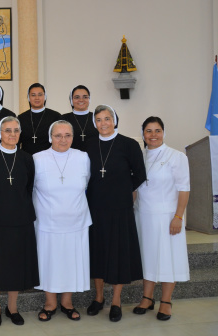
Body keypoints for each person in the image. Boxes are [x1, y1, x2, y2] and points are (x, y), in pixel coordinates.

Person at [85, 105, 146, 322]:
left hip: (120, 209)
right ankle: (99, 297)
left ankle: (116, 301)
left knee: (117, 254)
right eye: (99, 119)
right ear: (95, 123)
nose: (103, 123)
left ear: (115, 120)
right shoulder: (88, 144)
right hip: (95, 208)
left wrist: (123, 191)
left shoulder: (129, 144)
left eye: (107, 119)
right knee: (98, 253)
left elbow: (140, 174)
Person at [32, 120, 92, 322]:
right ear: (50, 137)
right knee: (50, 263)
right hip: (47, 222)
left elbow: (87, 183)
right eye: (58, 135)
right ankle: (50, 303)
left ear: (73, 138)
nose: (63, 139)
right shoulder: (38, 159)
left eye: (67, 135)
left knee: (71, 262)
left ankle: (67, 302)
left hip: (76, 221)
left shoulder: (82, 157)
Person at [0, 116, 38, 327]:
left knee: (16, 265)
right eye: (7, 130)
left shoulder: (26, 159)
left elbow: (29, 187)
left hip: (21, 219)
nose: (12, 134)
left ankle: (12, 307)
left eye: (15, 130)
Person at [133, 117, 190, 321]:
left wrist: (178, 216)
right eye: (149, 131)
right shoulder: (140, 156)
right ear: (143, 134)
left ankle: (166, 301)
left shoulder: (176, 156)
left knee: (167, 258)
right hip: (143, 215)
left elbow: (184, 188)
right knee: (148, 257)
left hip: (167, 216)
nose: (153, 135)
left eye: (157, 130)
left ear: (163, 132)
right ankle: (147, 298)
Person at [18, 83, 62, 156]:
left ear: (45, 96)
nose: (37, 98)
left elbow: (60, 140)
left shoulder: (55, 116)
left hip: (49, 158)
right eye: (33, 95)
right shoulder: (21, 118)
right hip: (26, 158)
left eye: (40, 94)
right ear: (28, 98)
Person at [60, 85, 98, 152]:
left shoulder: (97, 118)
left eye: (85, 97)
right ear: (71, 100)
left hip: (94, 156)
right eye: (77, 97)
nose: (81, 100)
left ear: (89, 99)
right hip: (70, 158)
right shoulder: (63, 119)